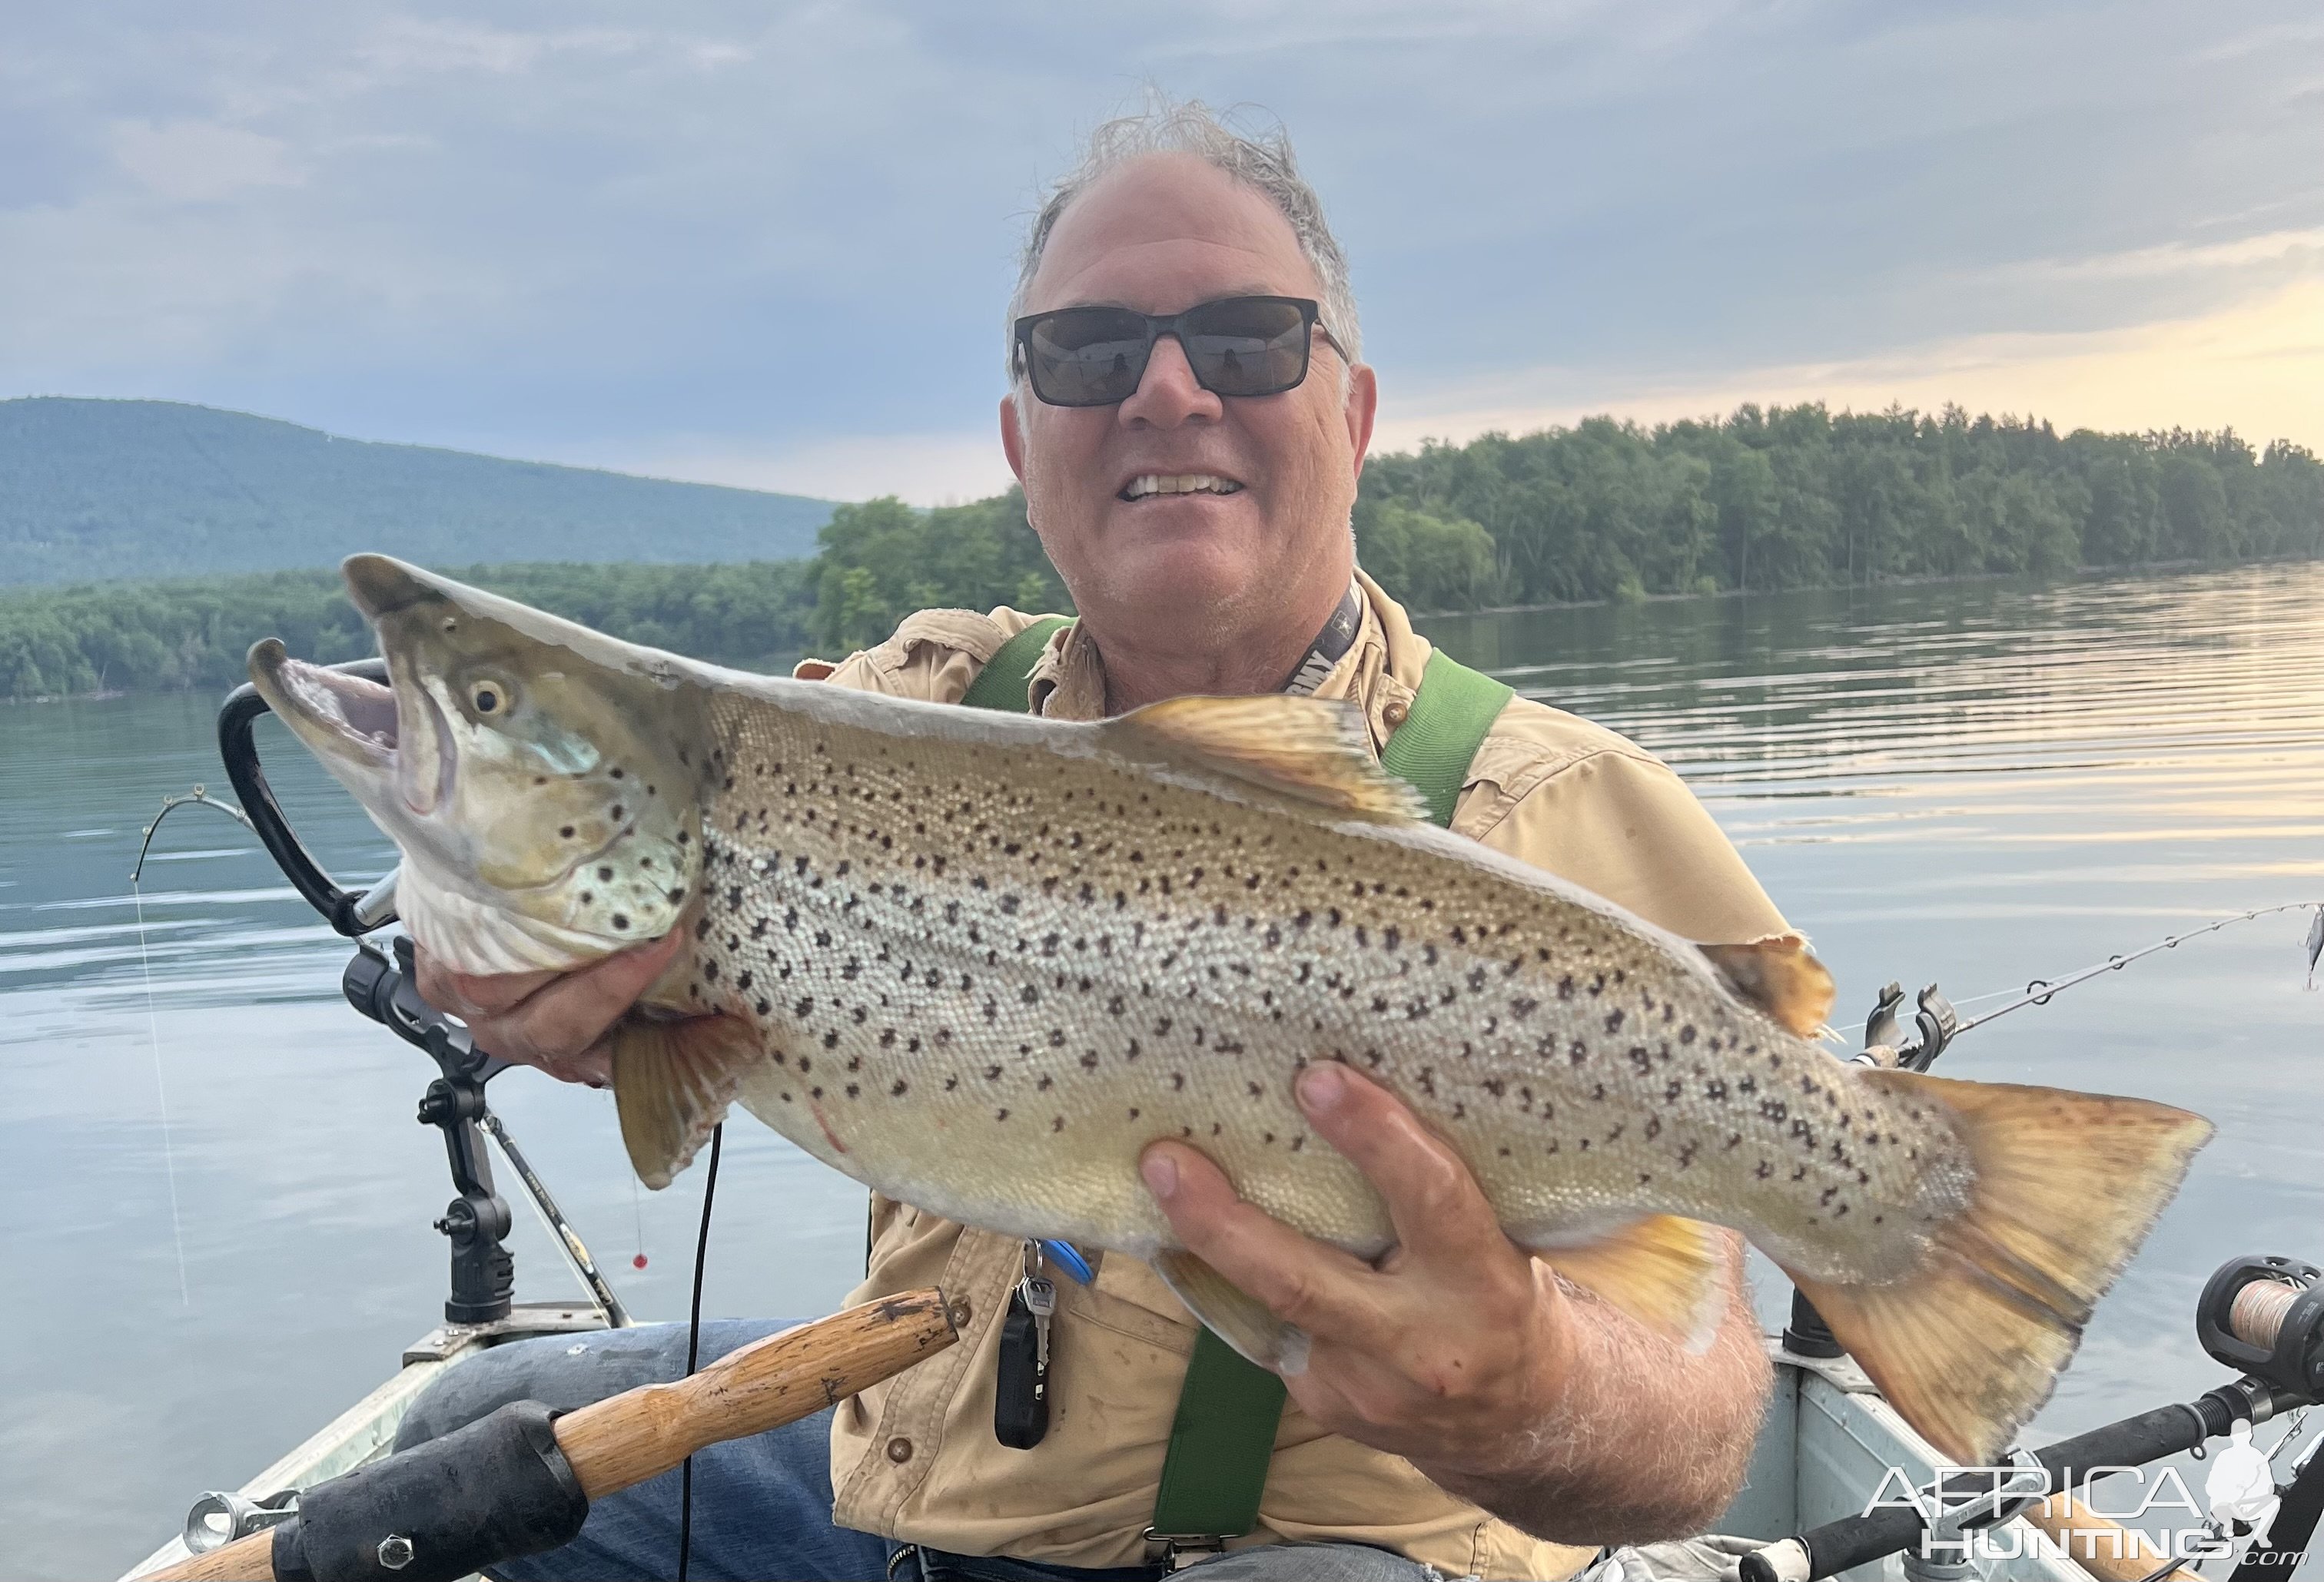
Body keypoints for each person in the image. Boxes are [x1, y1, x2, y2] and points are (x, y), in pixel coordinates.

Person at [397, 100, 1790, 1582]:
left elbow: (1696, 1431)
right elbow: (620, 791)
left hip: (1292, 1557)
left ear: (1357, 414)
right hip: (891, 1500)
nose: (1169, 393)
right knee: (461, 1449)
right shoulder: (910, 720)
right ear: (1021, 439)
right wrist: (480, 926)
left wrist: (1543, 1390)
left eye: (1248, 339)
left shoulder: (1552, 815)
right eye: (1092, 351)